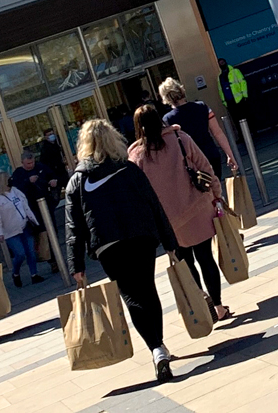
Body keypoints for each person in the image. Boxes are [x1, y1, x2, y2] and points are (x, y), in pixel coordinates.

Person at [66, 118, 183, 382]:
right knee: (148, 289)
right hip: (141, 237)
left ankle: (156, 348)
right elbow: (154, 204)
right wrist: (169, 242)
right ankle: (160, 346)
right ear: (112, 139)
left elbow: (74, 228)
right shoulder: (128, 169)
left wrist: (77, 266)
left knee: (131, 296)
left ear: (84, 144)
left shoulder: (77, 180)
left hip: (109, 246)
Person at [128, 104, 233, 322]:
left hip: (168, 223)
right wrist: (216, 194)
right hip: (197, 209)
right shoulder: (179, 138)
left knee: (185, 264)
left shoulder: (136, 157)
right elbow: (206, 167)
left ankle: (202, 304)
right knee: (206, 258)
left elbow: (137, 196)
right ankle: (219, 306)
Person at [160, 76, 239, 179]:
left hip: (191, 162)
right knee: (216, 188)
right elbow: (217, 133)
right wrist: (229, 155)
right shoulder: (202, 107)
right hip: (211, 154)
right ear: (181, 90)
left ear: (166, 98)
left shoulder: (167, 119)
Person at [0, 174, 45, 286]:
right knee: (20, 254)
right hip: (10, 232)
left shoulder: (15, 191)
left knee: (31, 251)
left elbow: (25, 206)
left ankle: (34, 274)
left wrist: (34, 221)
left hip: (24, 226)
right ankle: (15, 273)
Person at [217, 58, 250, 127]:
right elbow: (221, 90)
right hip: (229, 101)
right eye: (220, 63)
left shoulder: (235, 71)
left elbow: (242, 82)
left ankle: (252, 132)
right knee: (235, 120)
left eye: (223, 62)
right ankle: (241, 135)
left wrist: (244, 95)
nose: (222, 64)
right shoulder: (220, 77)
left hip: (239, 99)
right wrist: (224, 102)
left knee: (245, 117)